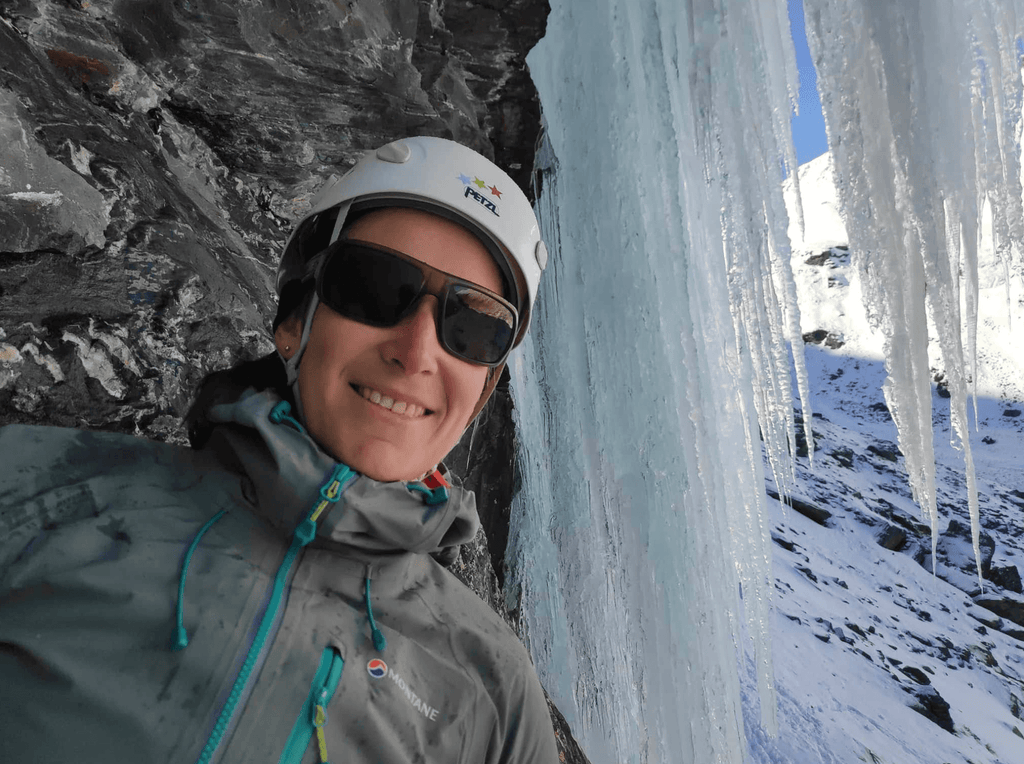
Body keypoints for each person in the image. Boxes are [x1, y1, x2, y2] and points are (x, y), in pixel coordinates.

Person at [0, 136, 558, 763]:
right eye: (375, 286)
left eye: (475, 329)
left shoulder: (497, 698)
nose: (417, 351)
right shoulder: (38, 489)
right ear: (294, 322)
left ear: (480, 394)